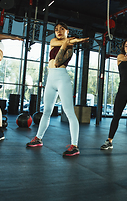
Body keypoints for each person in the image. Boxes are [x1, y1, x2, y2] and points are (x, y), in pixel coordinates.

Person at [26, 22, 88, 156]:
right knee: (46, 111)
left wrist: (68, 43)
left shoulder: (69, 48)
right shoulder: (54, 41)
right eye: (56, 29)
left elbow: (58, 61)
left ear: (67, 31)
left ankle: (75, 145)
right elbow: (57, 44)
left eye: (62, 29)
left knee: (69, 112)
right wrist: (72, 41)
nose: (58, 31)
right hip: (50, 79)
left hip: (62, 79)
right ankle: (38, 138)